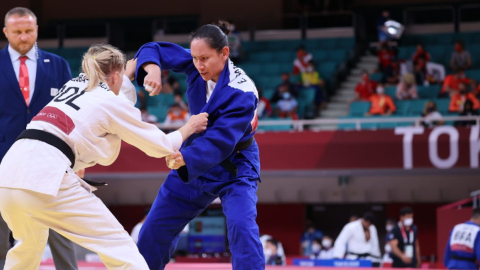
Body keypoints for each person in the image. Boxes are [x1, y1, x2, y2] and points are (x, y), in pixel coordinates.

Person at [0, 44, 208, 269]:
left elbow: (109, 92)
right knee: (120, 248)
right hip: (46, 174)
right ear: (116, 74)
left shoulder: (74, 84)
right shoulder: (111, 101)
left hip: (9, 171)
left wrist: (124, 75)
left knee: (26, 251)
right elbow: (161, 145)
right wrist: (189, 126)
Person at [133, 20, 264, 270]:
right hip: (195, 163)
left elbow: (221, 141)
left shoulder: (242, 91)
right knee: (153, 229)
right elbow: (154, 48)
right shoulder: (197, 65)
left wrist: (186, 158)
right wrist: (152, 69)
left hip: (235, 165)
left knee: (242, 228)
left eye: (204, 58)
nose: (198, 65)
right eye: (194, 58)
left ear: (224, 53)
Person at [0, 7, 77, 270]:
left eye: (28, 31)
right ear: (6, 32)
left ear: (36, 30)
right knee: (2, 229)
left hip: (50, 157)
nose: (23, 37)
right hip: (3, 156)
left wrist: (76, 157)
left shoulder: (58, 65)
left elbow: (71, 114)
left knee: (60, 226)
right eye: (17, 32)